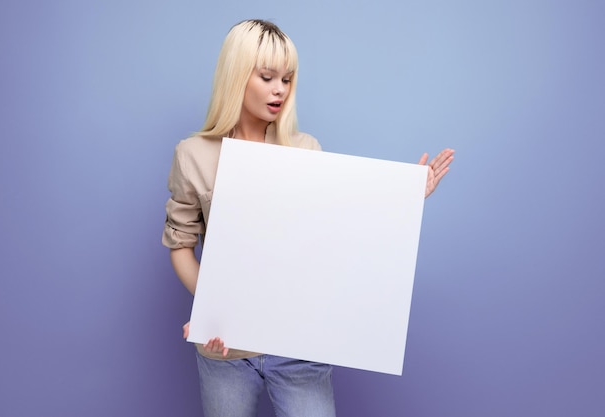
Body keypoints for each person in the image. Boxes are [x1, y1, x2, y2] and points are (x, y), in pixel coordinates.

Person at [162, 19, 454, 417]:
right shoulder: (192, 154)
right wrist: (215, 313)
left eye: (287, 78)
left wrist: (405, 197)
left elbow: (337, 235)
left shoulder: (305, 148)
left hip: (299, 348)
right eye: (267, 77)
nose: (280, 89)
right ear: (236, 76)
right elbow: (181, 246)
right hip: (226, 350)